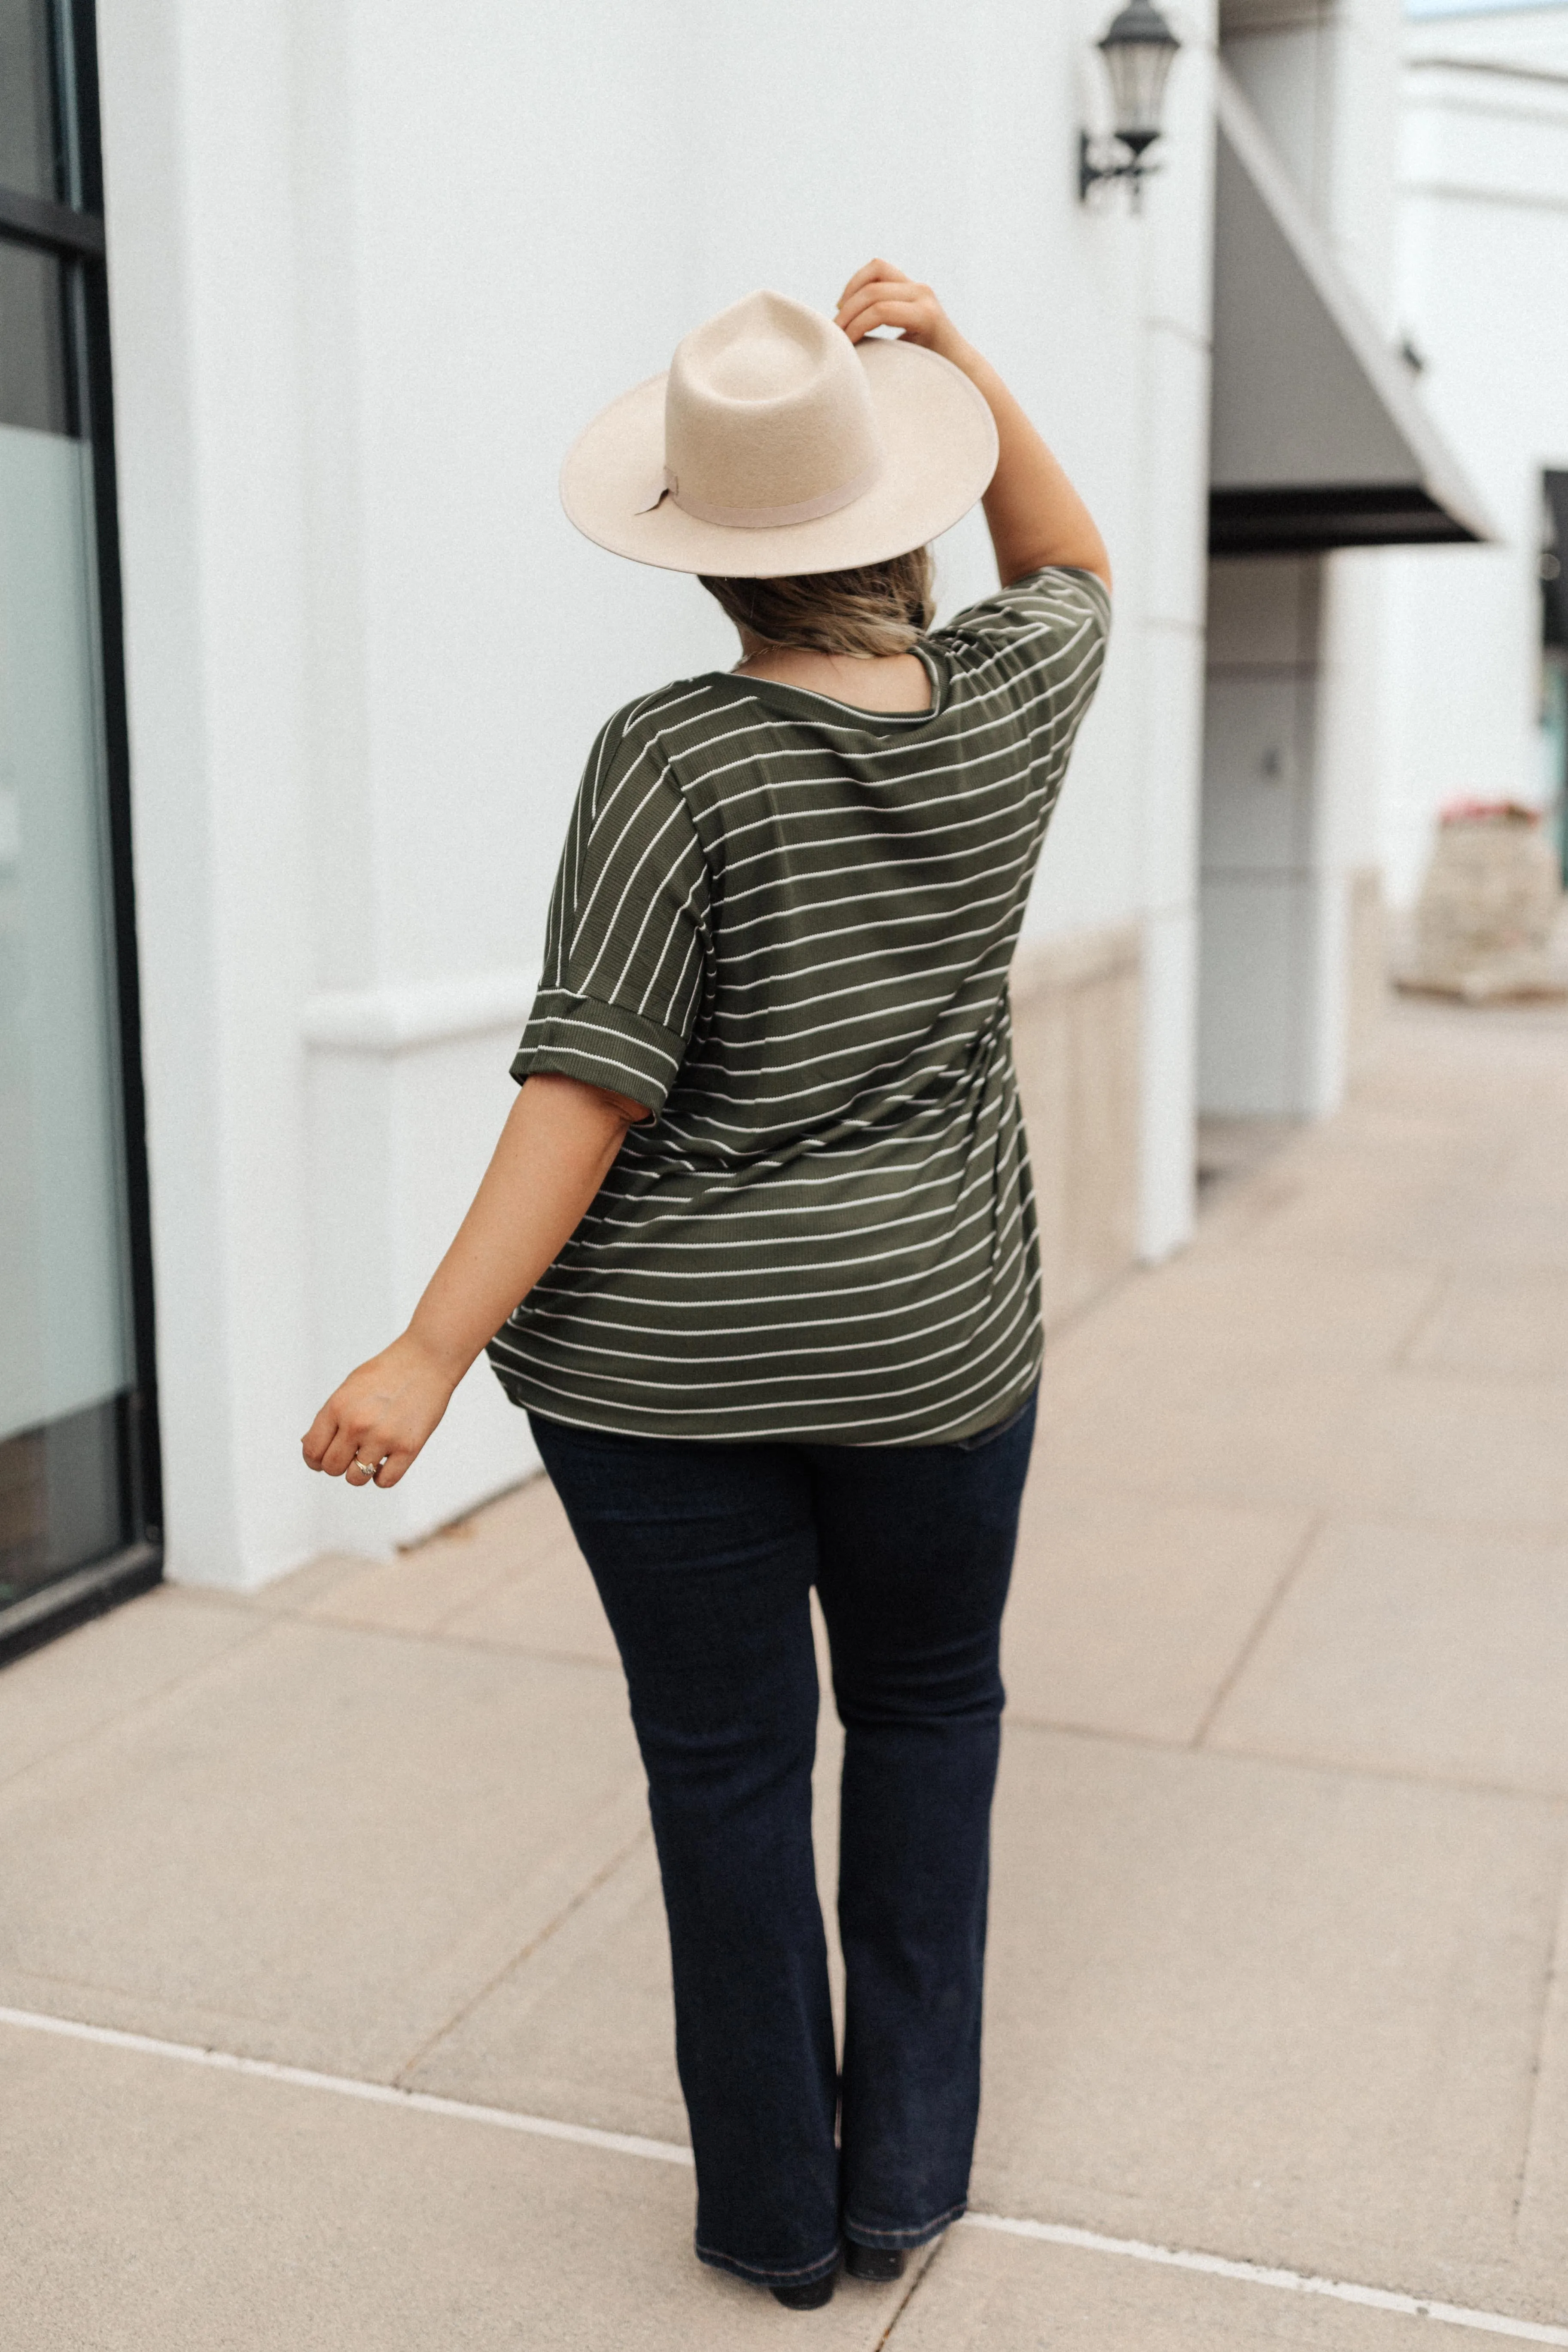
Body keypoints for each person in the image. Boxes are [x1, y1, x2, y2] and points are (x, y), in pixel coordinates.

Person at [303, 259, 1110, 2310]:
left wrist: (426, 1346)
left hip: (666, 1377)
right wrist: (952, 359)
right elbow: (1073, 550)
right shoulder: (1007, 707)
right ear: (893, 514)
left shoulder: (674, 756)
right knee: (931, 1722)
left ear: (710, 558)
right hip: (940, 1345)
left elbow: (589, 1089)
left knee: (728, 1768)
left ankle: (775, 2219)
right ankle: (907, 2176)